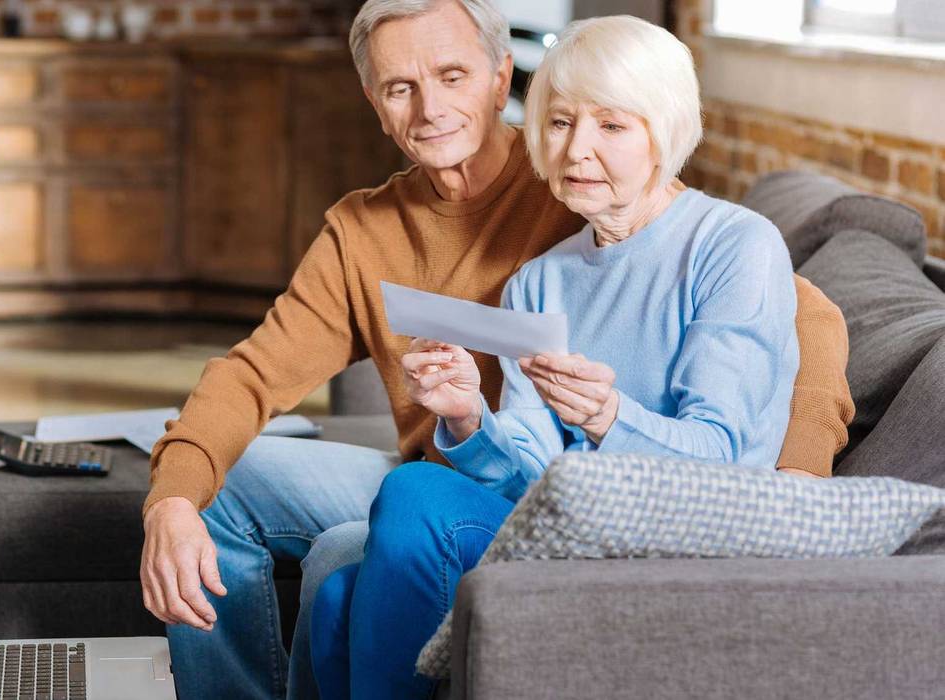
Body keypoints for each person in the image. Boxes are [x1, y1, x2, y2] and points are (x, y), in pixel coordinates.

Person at [140, 2, 854, 699]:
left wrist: (795, 480)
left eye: (451, 76)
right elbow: (253, 373)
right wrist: (170, 501)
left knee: (341, 560)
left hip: (567, 496)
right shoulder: (391, 238)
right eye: (399, 87)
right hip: (478, 471)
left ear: (498, 76)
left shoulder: (583, 189)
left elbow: (805, 315)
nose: (428, 109)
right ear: (373, 101)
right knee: (209, 483)